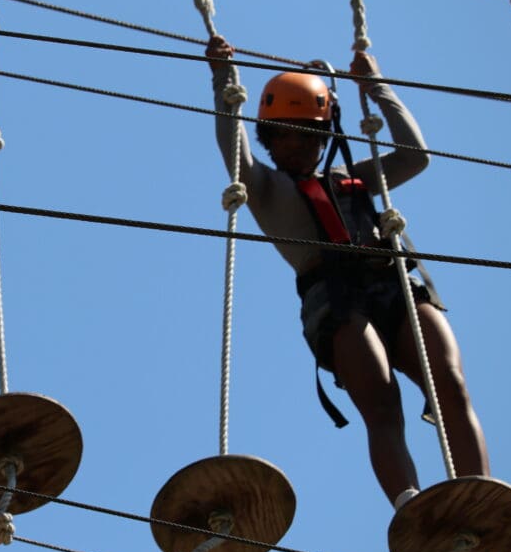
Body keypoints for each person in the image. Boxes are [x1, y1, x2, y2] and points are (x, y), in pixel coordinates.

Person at [205, 35, 489, 509]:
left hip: (391, 282)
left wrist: (375, 86)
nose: (295, 148)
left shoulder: (351, 179)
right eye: (281, 136)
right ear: (269, 139)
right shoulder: (266, 187)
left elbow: (415, 155)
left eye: (309, 136)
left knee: (451, 385)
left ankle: (480, 495)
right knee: (381, 404)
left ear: (324, 136)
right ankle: (409, 505)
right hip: (334, 298)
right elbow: (231, 146)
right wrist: (223, 80)